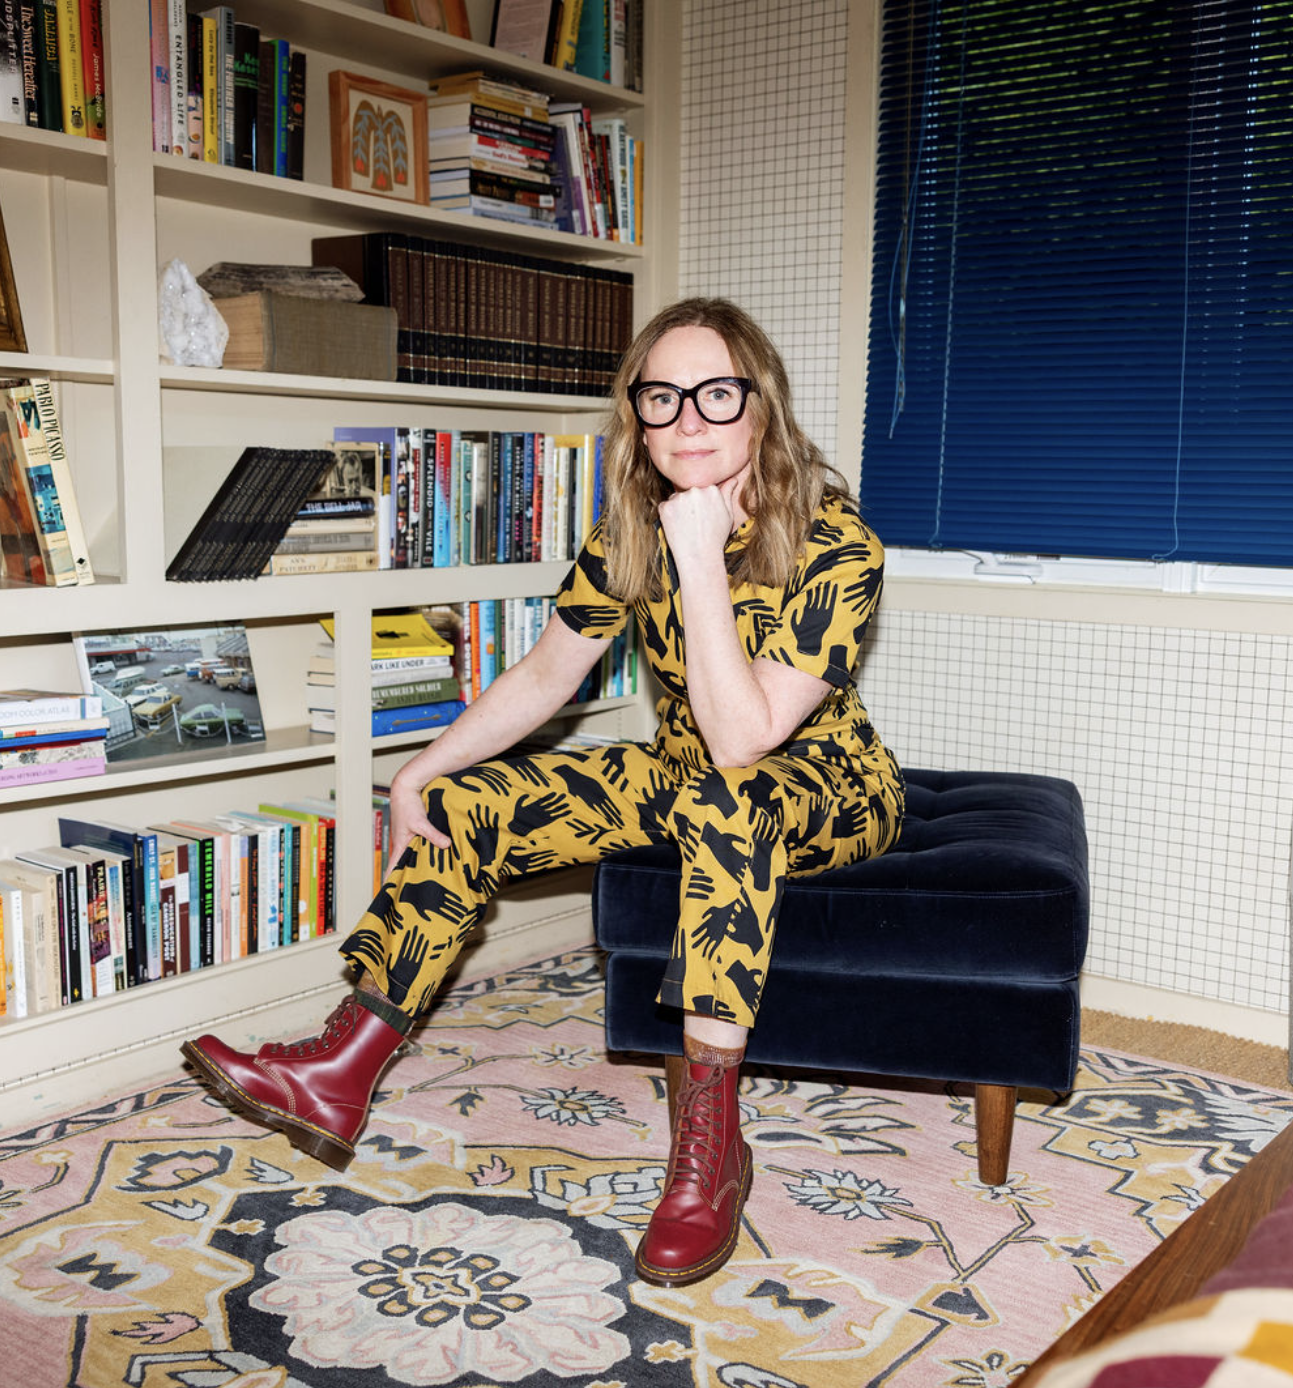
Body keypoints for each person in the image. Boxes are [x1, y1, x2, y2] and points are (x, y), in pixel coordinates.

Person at [183, 297, 905, 1288]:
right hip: (685, 771)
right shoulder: (630, 535)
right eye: (662, 396)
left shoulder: (836, 541)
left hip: (827, 780)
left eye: (716, 393)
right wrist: (420, 772)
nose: (689, 418)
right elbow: (544, 676)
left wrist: (699, 557)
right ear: (637, 417)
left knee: (727, 801)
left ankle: (708, 1157)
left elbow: (746, 739)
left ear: (761, 408)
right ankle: (340, 1067)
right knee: (470, 803)